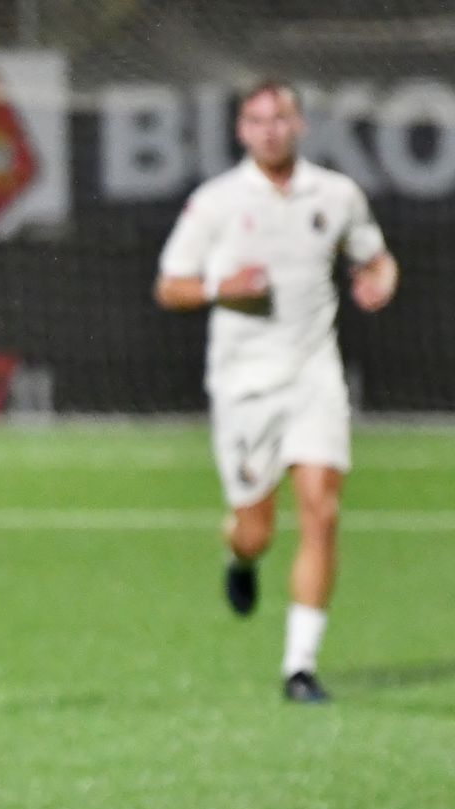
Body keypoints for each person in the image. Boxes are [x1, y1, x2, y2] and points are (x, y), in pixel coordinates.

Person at [154, 79, 398, 702]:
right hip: (245, 387)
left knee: (321, 510)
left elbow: (375, 257)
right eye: (257, 121)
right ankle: (240, 557)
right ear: (241, 131)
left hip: (315, 376)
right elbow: (170, 286)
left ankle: (299, 667)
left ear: (300, 125)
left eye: (280, 118)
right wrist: (220, 289)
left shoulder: (336, 194)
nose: (270, 131)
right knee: (255, 531)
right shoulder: (216, 202)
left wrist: (380, 279)